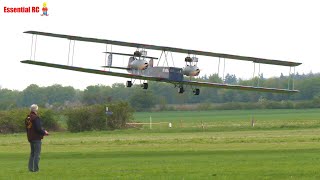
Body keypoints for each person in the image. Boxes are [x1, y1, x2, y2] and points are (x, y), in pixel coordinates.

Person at [25, 104, 49, 172]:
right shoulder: (36, 118)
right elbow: (38, 128)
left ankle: (30, 169)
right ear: (36, 110)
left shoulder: (27, 118)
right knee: (37, 154)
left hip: (30, 138)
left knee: (32, 153)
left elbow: (27, 129)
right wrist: (44, 132)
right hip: (36, 138)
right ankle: (36, 169)